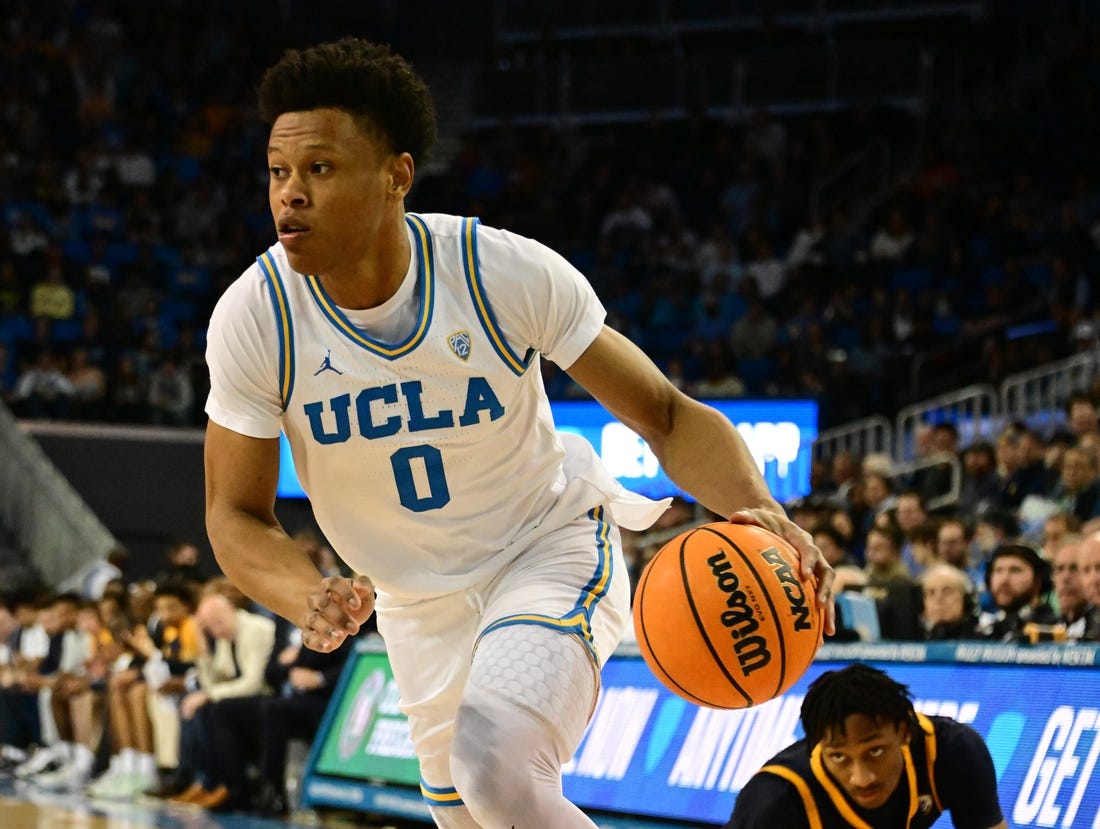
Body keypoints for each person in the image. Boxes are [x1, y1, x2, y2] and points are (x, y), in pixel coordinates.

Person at [202, 37, 835, 829]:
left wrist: (755, 503)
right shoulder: (255, 316)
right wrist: (307, 592)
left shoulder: (495, 271)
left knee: (493, 763)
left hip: (546, 547)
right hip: (413, 605)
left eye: (319, 169)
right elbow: (235, 513)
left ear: (397, 174)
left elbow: (666, 414)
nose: (289, 195)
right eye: (278, 171)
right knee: (480, 809)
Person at [725, 663, 1007, 829]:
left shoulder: (952, 751)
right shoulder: (776, 799)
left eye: (875, 751)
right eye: (839, 757)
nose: (862, 778)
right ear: (817, 748)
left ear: (905, 732)